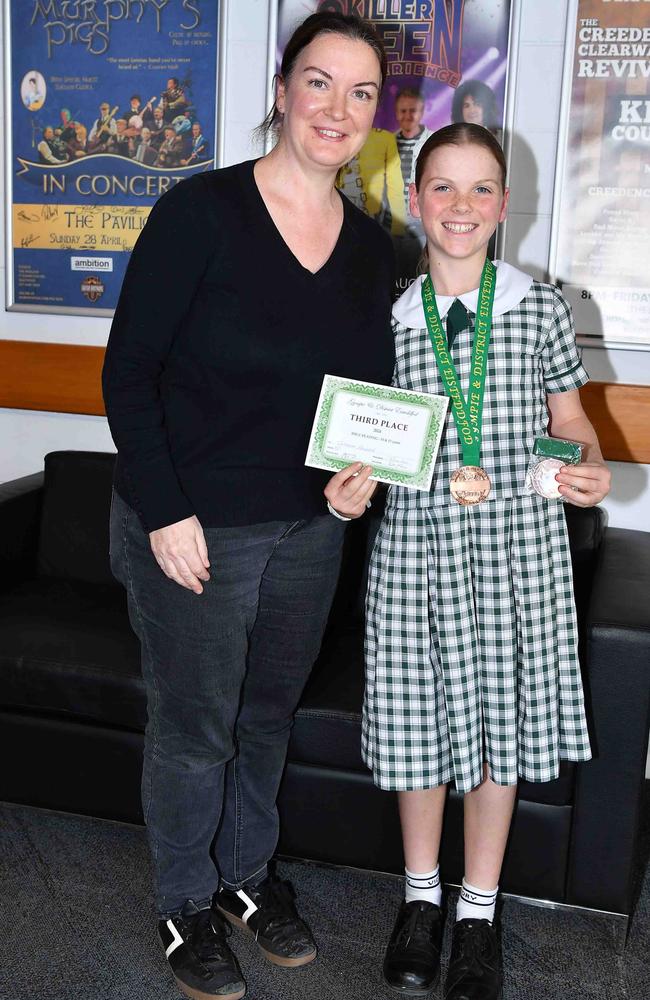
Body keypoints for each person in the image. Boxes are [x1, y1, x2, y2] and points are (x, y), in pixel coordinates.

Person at [102, 12, 394, 1000]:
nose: (336, 108)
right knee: (196, 723)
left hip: (310, 529)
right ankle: (184, 900)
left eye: (359, 93)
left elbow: (367, 399)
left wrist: (363, 471)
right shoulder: (200, 213)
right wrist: (163, 509)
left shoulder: (371, 248)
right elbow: (128, 373)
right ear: (281, 91)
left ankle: (240, 877)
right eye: (319, 83)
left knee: (266, 713)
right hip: (193, 523)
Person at [364, 123, 611, 1000]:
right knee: (419, 727)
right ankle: (420, 898)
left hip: (516, 550)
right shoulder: (386, 313)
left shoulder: (539, 307)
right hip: (417, 551)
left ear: (504, 206)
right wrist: (349, 484)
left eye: (480, 190)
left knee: (496, 730)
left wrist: (588, 462)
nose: (460, 206)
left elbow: (572, 421)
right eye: (443, 187)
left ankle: (477, 910)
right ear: (416, 199)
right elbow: (369, 440)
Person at [393, 87, 432, 280]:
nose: (408, 116)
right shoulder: (388, 142)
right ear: (396, 112)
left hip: (423, 227)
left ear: (422, 111)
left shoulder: (434, 142)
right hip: (392, 226)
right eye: (403, 111)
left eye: (413, 110)